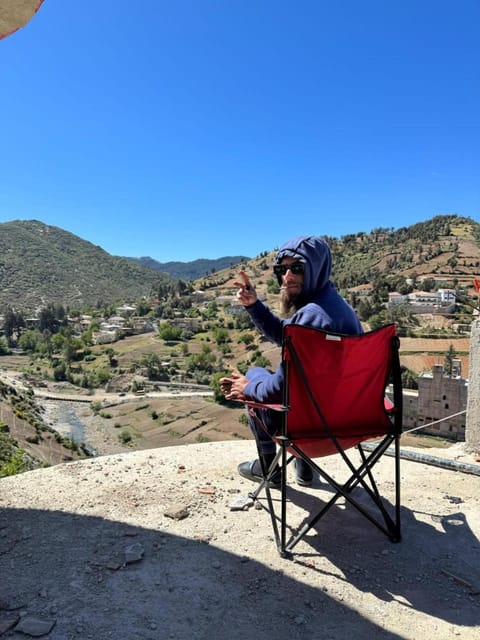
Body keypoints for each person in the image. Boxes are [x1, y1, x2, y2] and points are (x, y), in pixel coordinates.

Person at [220, 235, 363, 487]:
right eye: (281, 269)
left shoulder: (310, 319)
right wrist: (255, 306)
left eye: (297, 268)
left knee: (254, 375)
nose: (287, 277)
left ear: (316, 268)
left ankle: (269, 471)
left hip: (307, 428)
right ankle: (304, 470)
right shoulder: (336, 308)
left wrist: (246, 388)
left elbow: (278, 391)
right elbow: (288, 337)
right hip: (346, 421)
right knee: (290, 388)